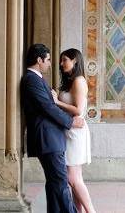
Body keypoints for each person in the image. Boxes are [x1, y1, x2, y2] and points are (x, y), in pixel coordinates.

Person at [21, 43, 84, 213]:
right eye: (48, 60)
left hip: (50, 138)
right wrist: (71, 122)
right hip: (47, 138)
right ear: (39, 60)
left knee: (55, 183)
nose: (50, 63)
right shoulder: (31, 79)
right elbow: (47, 107)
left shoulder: (36, 78)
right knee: (60, 182)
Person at [51, 48, 96, 213]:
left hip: (76, 133)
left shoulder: (79, 80)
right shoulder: (71, 81)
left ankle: (91, 211)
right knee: (76, 178)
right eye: (61, 60)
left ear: (75, 61)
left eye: (65, 60)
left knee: (72, 177)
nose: (62, 63)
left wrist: (56, 102)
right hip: (69, 131)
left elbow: (78, 110)